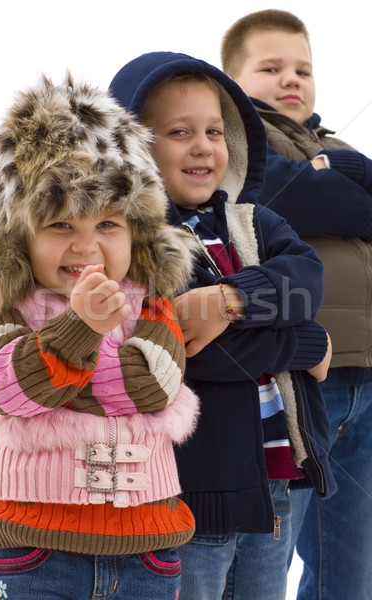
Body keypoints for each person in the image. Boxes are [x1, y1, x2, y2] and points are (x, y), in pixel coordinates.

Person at [109, 51, 335, 600]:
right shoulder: (139, 243)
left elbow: (305, 277)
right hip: (193, 493)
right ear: (133, 149)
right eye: (179, 132)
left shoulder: (253, 221)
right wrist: (308, 342)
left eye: (214, 130)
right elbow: (196, 354)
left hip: (275, 480)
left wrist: (232, 298)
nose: (203, 146)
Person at [0, 73, 201, 600]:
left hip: (148, 551)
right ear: (20, 236)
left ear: (135, 231)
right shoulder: (1, 305)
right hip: (36, 550)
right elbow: (8, 389)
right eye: (59, 227)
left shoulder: (152, 301)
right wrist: (82, 329)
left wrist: (56, 377)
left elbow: (153, 386)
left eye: (107, 225)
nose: (85, 247)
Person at [221, 9, 372, 600]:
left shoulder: (334, 146)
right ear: (234, 81)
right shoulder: (242, 142)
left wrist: (339, 173)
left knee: (351, 555)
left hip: (366, 374)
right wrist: (341, 184)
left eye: (303, 69)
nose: (292, 79)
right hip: (306, 375)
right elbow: (303, 200)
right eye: (271, 67)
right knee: (275, 545)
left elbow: (331, 197)